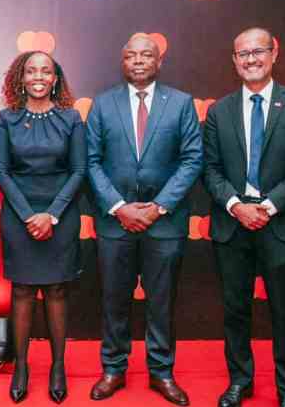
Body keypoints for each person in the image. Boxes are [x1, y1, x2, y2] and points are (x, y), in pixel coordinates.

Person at [202, 27, 285, 407]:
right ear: (234, 61)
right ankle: (240, 381)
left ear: (274, 54)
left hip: (280, 223)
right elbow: (209, 170)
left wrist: (267, 207)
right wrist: (237, 206)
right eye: (243, 54)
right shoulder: (218, 111)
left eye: (258, 51)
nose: (251, 59)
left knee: (284, 311)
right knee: (235, 309)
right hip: (232, 224)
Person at [86, 34, 202, 405]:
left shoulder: (182, 104)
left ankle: (162, 372)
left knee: (162, 301)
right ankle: (113, 369)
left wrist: (157, 207)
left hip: (164, 223)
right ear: (123, 62)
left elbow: (192, 160)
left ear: (159, 61)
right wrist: (119, 207)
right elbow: (90, 162)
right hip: (114, 222)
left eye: (146, 55)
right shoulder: (102, 105)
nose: (138, 61)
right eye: (131, 55)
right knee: (113, 299)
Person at [0, 51, 87, 404]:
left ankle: (58, 366)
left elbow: (79, 171)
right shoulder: (7, 119)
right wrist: (29, 214)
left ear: (55, 78)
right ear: (20, 77)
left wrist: (52, 214)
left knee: (58, 290)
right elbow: (1, 171)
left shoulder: (71, 118)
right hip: (19, 216)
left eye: (45, 71)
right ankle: (21, 366)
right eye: (31, 70)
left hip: (61, 215)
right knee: (22, 291)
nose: (38, 76)